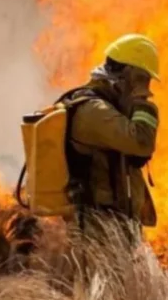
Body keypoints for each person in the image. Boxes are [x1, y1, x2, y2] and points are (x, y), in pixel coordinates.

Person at [62, 33, 160, 247]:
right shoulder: (94, 111)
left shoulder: (107, 108)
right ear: (130, 76)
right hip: (96, 227)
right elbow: (142, 143)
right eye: (143, 79)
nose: (147, 87)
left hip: (109, 222)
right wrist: (141, 99)